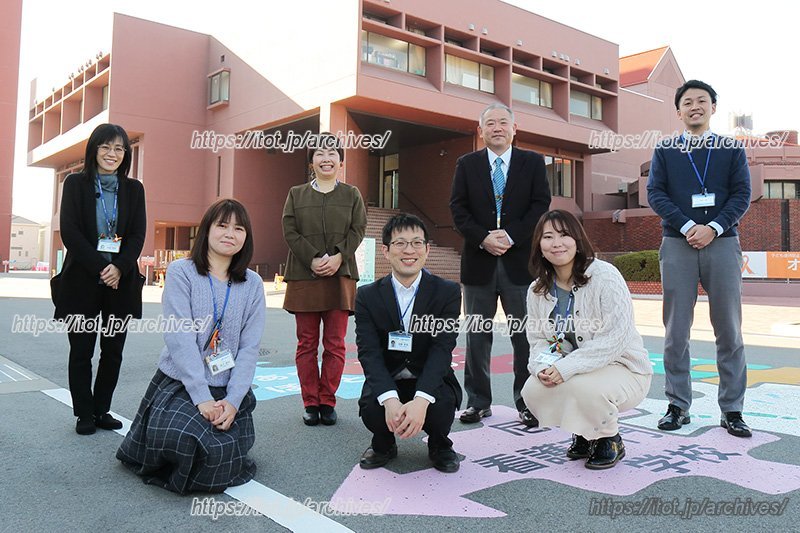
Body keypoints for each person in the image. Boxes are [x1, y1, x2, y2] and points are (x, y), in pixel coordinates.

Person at [116, 199, 266, 494]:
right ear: (206, 230)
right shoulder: (181, 272)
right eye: (222, 225)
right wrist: (202, 398)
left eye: (238, 228)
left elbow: (250, 348)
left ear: (246, 237)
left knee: (218, 451)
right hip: (182, 383)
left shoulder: (252, 283)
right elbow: (179, 338)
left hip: (227, 387)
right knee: (184, 439)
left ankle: (222, 425)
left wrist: (233, 401)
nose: (230, 233)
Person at [647, 80, 752, 437]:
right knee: (676, 329)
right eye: (687, 102)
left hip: (722, 243)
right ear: (678, 111)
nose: (695, 106)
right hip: (678, 242)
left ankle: (732, 409)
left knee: (729, 329)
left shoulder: (731, 149)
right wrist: (690, 224)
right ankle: (678, 404)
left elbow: (742, 194)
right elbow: (656, 194)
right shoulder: (665, 150)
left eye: (701, 101)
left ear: (713, 108)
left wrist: (715, 227)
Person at [521, 210, 653, 469]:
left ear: (578, 240)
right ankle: (582, 431)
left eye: (564, 235)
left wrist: (565, 367)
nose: (556, 243)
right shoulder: (537, 289)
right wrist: (542, 367)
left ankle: (608, 439)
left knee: (584, 388)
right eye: (548, 237)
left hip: (623, 368)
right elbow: (538, 339)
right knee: (533, 389)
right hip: (576, 368)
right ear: (539, 245)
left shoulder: (605, 276)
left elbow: (615, 338)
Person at [449, 103, 551, 427]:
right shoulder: (467, 164)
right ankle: (478, 401)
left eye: (503, 122)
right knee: (478, 336)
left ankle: (527, 401)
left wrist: (509, 236)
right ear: (481, 131)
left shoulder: (532, 162)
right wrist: (483, 238)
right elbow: (457, 208)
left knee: (525, 336)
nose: (497, 128)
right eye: (490, 123)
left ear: (514, 128)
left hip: (520, 264)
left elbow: (540, 205)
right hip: (478, 263)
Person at [51, 123, 146, 435]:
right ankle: (84, 414)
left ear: (125, 155)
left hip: (121, 283)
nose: (112, 154)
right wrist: (100, 268)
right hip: (82, 281)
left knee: (113, 350)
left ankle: (102, 409)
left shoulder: (134, 189)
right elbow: (70, 232)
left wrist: (119, 267)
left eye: (119, 148)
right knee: (81, 351)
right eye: (106, 147)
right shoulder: (75, 184)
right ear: (94, 149)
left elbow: (137, 235)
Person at [355, 214, 463, 473]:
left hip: (427, 376)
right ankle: (383, 444)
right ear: (385, 251)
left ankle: (440, 444)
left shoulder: (447, 292)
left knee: (441, 408)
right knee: (373, 408)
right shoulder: (367, 295)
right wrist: (390, 400)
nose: (409, 251)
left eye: (416, 243)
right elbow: (369, 352)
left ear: (426, 249)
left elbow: (442, 349)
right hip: (389, 375)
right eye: (400, 243)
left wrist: (421, 401)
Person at [282, 133, 367, 426]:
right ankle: (310, 401)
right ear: (311, 162)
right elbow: (290, 230)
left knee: (335, 343)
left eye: (332, 153)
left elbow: (358, 229)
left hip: (340, 276)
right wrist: (314, 258)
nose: (326, 158)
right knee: (306, 343)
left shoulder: (352, 194)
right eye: (319, 153)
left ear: (340, 161)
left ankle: (327, 401)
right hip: (304, 276)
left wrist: (339, 257)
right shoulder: (296, 194)